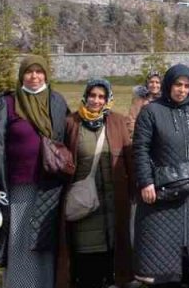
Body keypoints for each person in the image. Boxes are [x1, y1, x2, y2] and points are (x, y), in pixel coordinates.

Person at [0, 55, 69, 288]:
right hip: (17, 188)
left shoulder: (56, 102)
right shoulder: (6, 104)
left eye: (39, 72)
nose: (34, 77)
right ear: (21, 75)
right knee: (19, 241)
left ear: (46, 74)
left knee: (44, 242)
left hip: (50, 186)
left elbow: (68, 138)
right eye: (29, 72)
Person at [132, 64, 189, 288]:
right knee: (161, 260)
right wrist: (146, 182)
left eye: (187, 86)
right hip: (160, 195)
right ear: (169, 84)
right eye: (178, 85)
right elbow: (140, 149)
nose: (182, 90)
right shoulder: (150, 112)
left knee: (188, 259)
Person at [57, 79, 134, 288]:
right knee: (86, 249)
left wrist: (134, 189)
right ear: (85, 96)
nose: (96, 101)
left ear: (108, 99)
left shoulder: (118, 122)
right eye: (92, 95)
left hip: (114, 198)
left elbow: (129, 158)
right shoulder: (71, 123)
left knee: (114, 245)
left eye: (101, 97)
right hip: (84, 199)